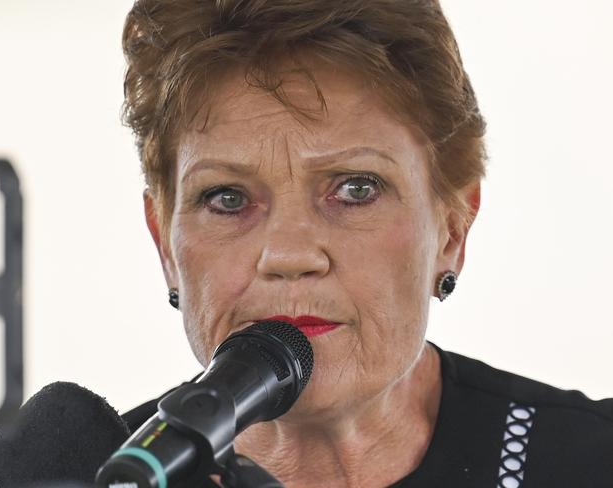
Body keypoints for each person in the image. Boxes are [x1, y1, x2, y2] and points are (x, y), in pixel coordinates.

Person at [120, 0, 613, 486]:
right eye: (227, 198)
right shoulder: (98, 473)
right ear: (165, 243)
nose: (290, 255)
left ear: (453, 228)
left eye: (356, 189)